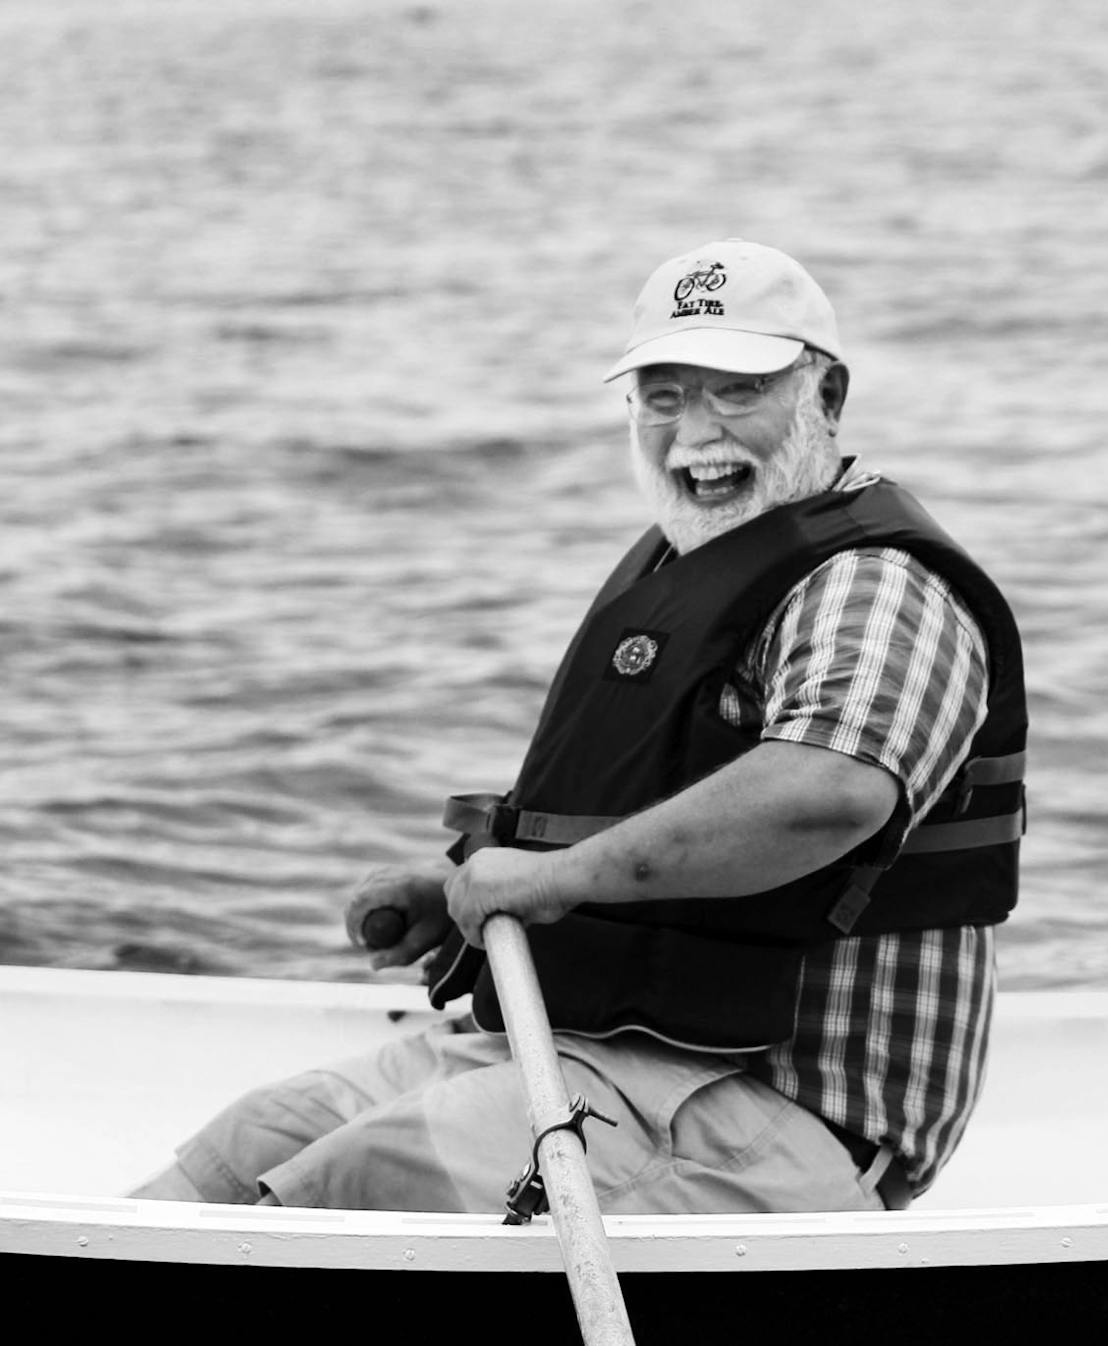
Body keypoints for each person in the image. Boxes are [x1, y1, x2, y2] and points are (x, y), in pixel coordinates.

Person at [132, 239, 1029, 1213]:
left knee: (356, 1177)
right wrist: (468, 884)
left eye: (738, 392)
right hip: (589, 1047)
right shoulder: (685, 563)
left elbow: (827, 794)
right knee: (248, 1145)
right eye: (664, 396)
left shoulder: (880, 583)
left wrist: (556, 880)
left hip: (776, 1109)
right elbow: (634, 802)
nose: (697, 432)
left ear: (828, 395)